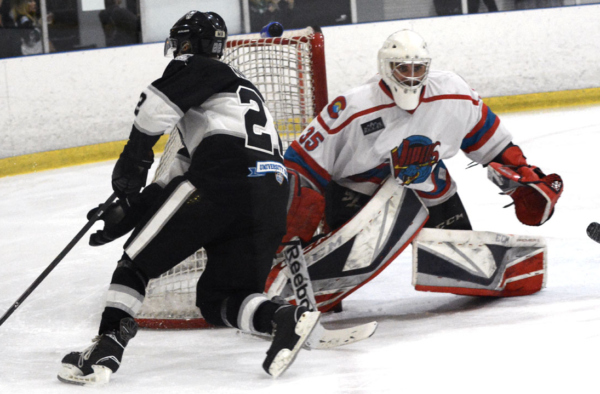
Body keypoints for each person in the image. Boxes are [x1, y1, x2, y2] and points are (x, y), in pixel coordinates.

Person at [57, 10, 321, 385]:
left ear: (184, 44)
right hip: (270, 195)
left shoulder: (197, 68)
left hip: (224, 181)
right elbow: (180, 173)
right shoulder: (234, 98)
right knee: (220, 300)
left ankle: (104, 350)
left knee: (135, 264)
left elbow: (152, 110)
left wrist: (133, 164)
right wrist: (135, 210)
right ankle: (282, 318)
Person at [282, 29, 563, 248]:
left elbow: (493, 143)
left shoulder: (454, 92)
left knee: (459, 252)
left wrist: (523, 173)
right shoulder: (353, 107)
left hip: (427, 186)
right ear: (385, 66)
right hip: (356, 192)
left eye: (418, 68)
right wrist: (292, 220)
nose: (411, 76)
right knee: (335, 271)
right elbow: (302, 163)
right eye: (403, 68)